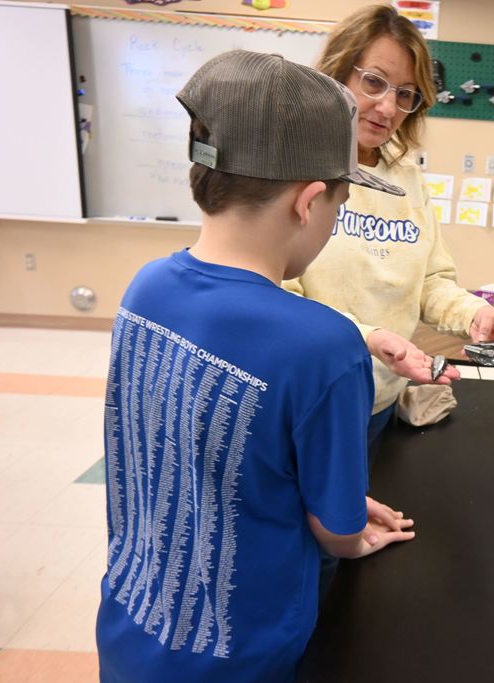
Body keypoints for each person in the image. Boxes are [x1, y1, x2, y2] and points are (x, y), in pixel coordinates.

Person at [96, 50, 415, 683]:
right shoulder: (324, 345)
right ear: (310, 201)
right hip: (241, 658)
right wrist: (351, 526)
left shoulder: (145, 287)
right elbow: (334, 532)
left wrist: (336, 498)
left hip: (128, 628)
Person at [284, 4, 494, 447]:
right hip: (309, 399)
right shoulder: (293, 166)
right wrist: (369, 338)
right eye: (374, 82)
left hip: (381, 395)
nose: (387, 106)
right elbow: (279, 298)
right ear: (336, 74)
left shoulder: (406, 176)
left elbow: (429, 280)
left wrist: (471, 313)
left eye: (406, 94)